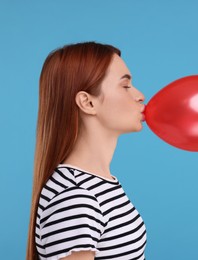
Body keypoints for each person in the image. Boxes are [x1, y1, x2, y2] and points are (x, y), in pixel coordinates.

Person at [26, 42, 147, 260]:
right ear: (87, 102)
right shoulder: (76, 198)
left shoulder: (100, 183)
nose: (140, 95)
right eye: (125, 86)